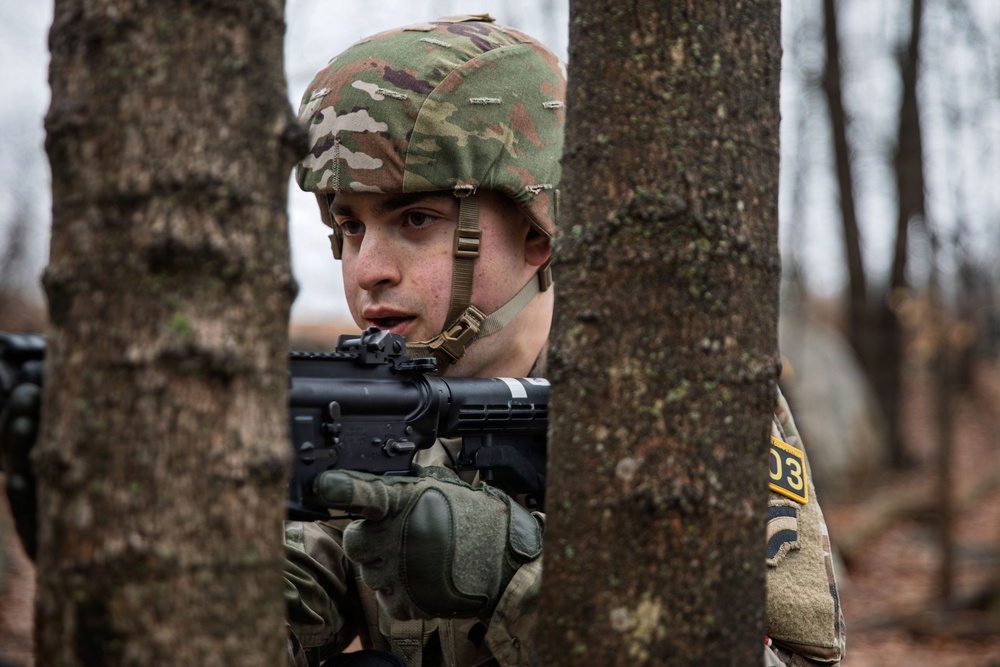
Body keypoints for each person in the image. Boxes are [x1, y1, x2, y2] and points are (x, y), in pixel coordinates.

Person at [284, 13, 845, 667]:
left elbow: (798, 662)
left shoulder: (674, 396)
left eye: (416, 218)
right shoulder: (364, 408)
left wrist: (516, 579)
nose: (368, 266)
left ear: (538, 230)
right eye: (350, 227)